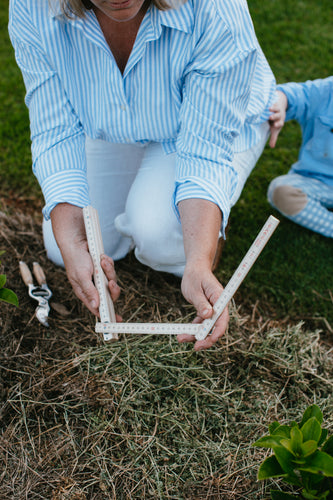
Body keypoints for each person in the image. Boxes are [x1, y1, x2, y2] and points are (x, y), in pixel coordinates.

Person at [9, 0, 277, 350]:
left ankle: (193, 232)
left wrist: (197, 259)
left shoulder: (215, 7)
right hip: (116, 119)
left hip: (208, 121)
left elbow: (204, 150)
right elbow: (55, 128)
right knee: (65, 249)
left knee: (160, 235)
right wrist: (73, 243)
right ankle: (145, 187)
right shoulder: (31, 6)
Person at [267, 77, 333, 238]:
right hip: (320, 181)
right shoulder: (325, 92)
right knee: (281, 191)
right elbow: (291, 95)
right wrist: (280, 103)